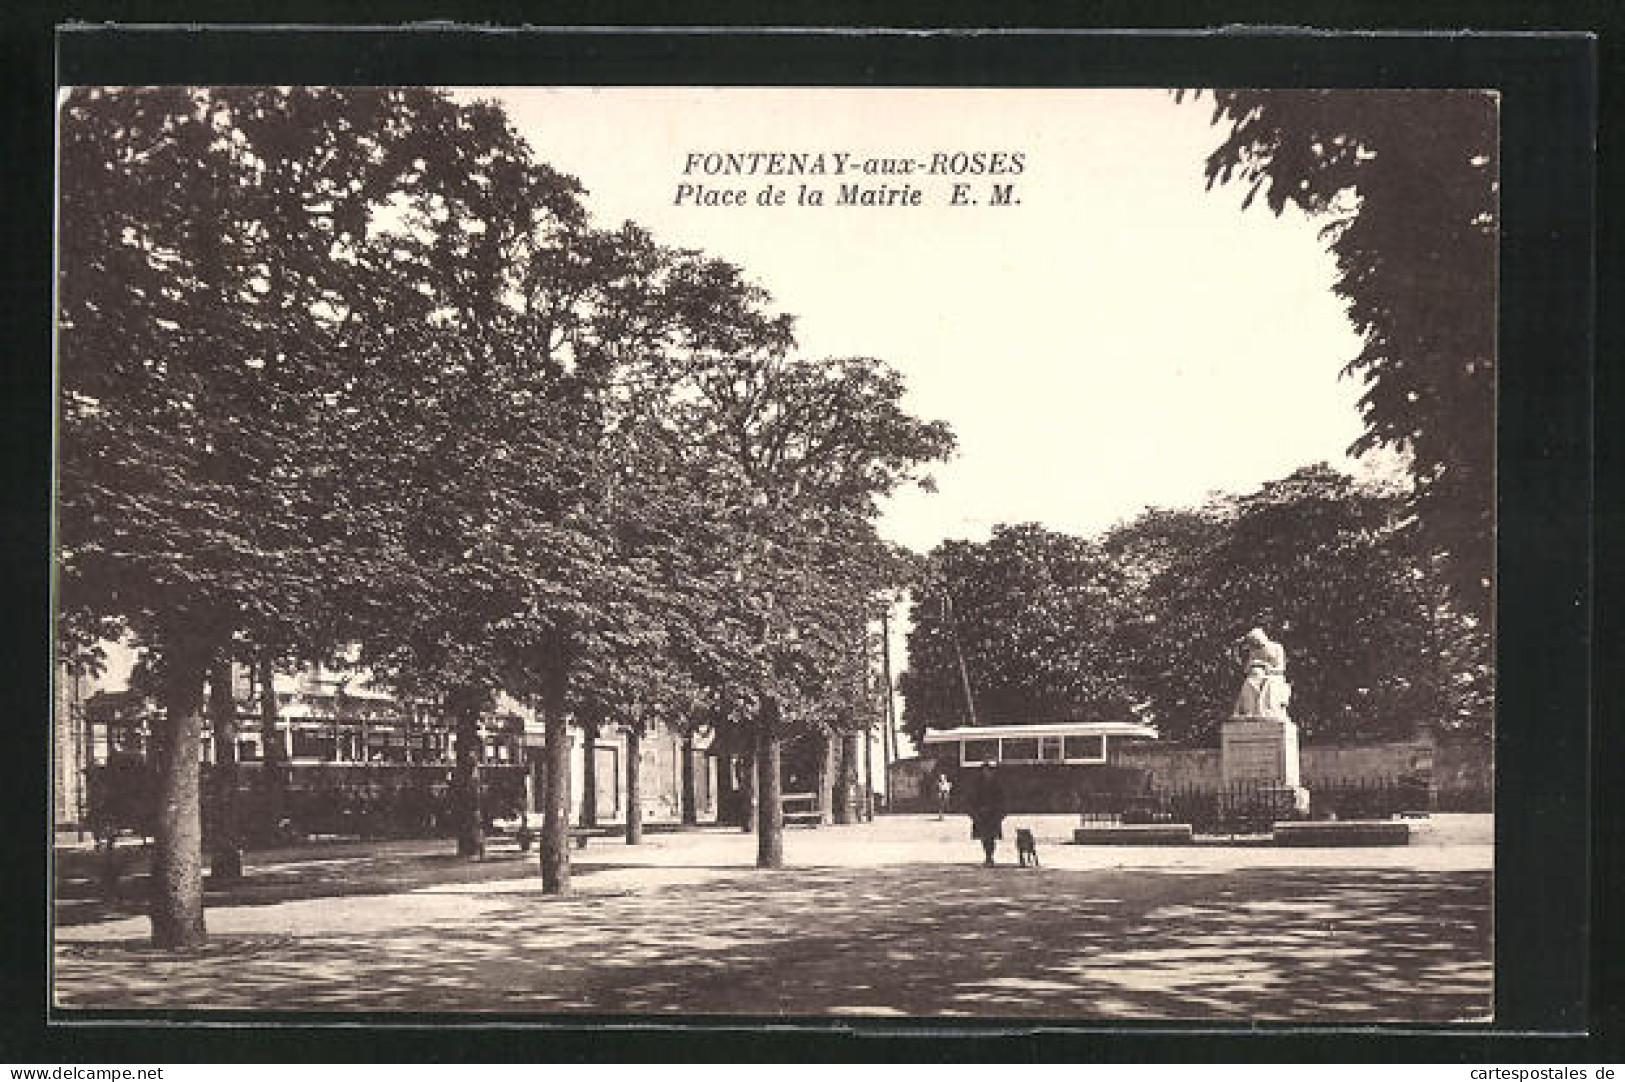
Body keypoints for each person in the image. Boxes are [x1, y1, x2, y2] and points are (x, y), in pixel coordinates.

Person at [967, 763, 1006, 866]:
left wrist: (1000, 813)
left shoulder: (997, 784)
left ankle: (990, 857)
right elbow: (972, 798)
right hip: (981, 815)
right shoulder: (977, 784)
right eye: (984, 770)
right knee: (984, 837)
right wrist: (974, 813)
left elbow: (1002, 799)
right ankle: (987, 856)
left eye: (989, 771)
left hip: (993, 815)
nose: (987, 773)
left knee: (991, 837)